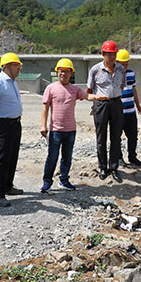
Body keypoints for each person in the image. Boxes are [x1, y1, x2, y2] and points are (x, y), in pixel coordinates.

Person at [40, 58, 108, 193]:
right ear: (57, 72)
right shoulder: (50, 88)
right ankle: (47, 182)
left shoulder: (74, 89)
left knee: (67, 157)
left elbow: (87, 96)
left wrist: (99, 97)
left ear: (71, 73)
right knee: (52, 157)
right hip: (55, 130)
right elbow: (45, 108)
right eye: (60, 71)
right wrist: (43, 126)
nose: (63, 74)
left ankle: (64, 180)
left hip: (70, 130)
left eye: (66, 71)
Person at [0, 52, 24, 207]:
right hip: (3, 125)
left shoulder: (12, 81)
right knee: (1, 159)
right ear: (7, 66)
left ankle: (8, 186)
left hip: (15, 124)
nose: (19, 69)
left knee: (12, 156)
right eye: (16, 66)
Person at [86, 40, 126, 183]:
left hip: (116, 104)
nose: (112, 57)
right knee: (101, 137)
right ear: (103, 54)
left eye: (114, 54)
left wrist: (113, 97)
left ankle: (114, 168)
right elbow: (89, 90)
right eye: (109, 54)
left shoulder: (121, 69)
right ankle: (103, 167)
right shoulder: (95, 70)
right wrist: (99, 100)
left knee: (116, 137)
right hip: (101, 105)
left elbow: (122, 86)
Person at [116, 49, 141, 167]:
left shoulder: (131, 74)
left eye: (126, 64)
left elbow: (134, 90)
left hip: (131, 111)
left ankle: (132, 157)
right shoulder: (113, 74)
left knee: (133, 136)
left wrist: (138, 105)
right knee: (117, 137)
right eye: (122, 64)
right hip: (118, 112)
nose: (125, 66)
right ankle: (119, 158)